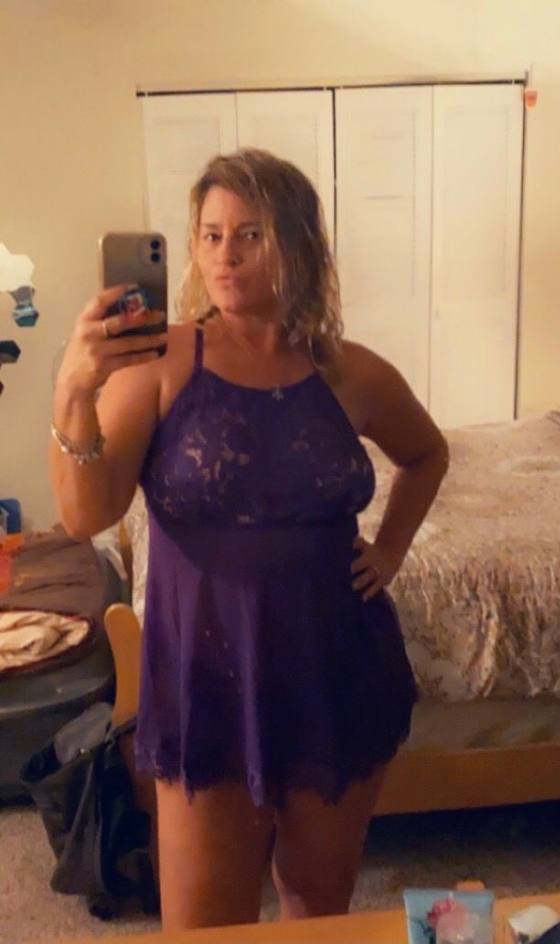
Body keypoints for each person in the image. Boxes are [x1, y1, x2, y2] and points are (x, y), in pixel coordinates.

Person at [50, 148, 449, 931]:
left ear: (295, 243)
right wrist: (73, 389)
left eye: (250, 234)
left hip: (335, 669)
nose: (224, 255)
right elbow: (84, 514)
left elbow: (427, 453)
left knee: (318, 909)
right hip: (206, 682)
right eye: (210, 235)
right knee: (206, 927)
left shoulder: (350, 373)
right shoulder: (161, 362)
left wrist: (391, 550)